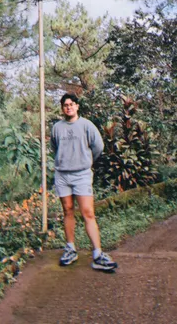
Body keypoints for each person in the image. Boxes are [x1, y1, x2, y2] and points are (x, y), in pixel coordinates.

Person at [51, 92, 118, 271]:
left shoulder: (86, 125)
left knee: (88, 212)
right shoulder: (57, 127)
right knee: (67, 210)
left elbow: (98, 147)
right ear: (62, 108)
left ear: (77, 106)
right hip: (63, 175)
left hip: (81, 175)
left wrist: (85, 162)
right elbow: (55, 148)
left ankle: (97, 254)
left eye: (72, 104)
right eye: (65, 105)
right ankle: (70, 248)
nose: (69, 107)